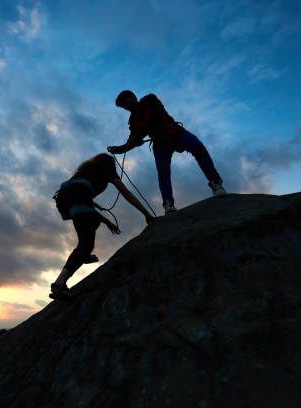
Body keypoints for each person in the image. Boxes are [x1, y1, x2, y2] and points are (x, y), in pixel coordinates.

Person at [52, 153, 156, 298]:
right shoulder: (108, 171)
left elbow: (84, 202)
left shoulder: (85, 171)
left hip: (65, 200)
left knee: (90, 225)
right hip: (78, 199)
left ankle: (83, 255)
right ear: (110, 165)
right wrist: (147, 214)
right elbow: (126, 193)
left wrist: (107, 222)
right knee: (86, 243)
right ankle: (59, 284)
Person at [108, 90, 226, 215]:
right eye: (124, 107)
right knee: (163, 171)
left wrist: (139, 135)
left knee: (198, 147)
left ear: (132, 97)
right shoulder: (133, 120)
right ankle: (168, 203)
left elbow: (155, 115)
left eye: (125, 104)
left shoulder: (149, 99)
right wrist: (120, 149)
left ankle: (216, 183)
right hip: (160, 144)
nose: (126, 108)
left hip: (175, 132)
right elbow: (133, 138)